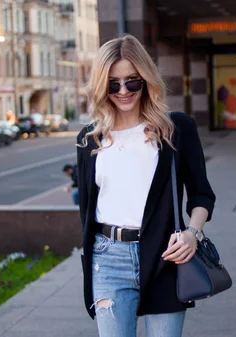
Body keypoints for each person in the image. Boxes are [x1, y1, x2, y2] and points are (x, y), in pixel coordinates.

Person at [75, 34, 215, 337]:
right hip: (108, 259)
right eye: (113, 84)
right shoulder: (90, 139)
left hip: (166, 255)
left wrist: (193, 234)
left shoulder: (175, 129)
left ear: (147, 80)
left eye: (132, 81)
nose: (123, 91)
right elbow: (86, 209)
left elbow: (202, 194)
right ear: (101, 86)